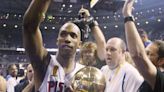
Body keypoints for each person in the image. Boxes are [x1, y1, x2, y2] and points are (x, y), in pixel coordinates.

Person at [22, 0, 97, 91]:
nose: (67, 39)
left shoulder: (84, 74)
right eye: (63, 34)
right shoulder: (44, 63)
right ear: (57, 41)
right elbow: (29, 26)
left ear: (79, 44)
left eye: (73, 36)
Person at [122, 0, 164, 92]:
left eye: (148, 54)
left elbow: (138, 55)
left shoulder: (161, 78)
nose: (145, 56)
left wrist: (127, 15)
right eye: (145, 52)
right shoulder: (144, 80)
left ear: (161, 61)